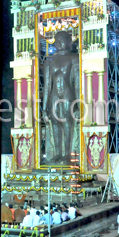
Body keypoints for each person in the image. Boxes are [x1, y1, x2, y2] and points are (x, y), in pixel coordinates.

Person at [42, 30, 79, 164]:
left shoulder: (73, 58)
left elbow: (77, 83)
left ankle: (67, 154)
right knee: (55, 123)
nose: (58, 43)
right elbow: (47, 86)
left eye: (61, 40)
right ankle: (58, 153)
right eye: (56, 40)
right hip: (54, 95)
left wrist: (78, 104)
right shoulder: (49, 61)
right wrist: (44, 108)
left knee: (67, 122)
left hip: (68, 93)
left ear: (68, 42)